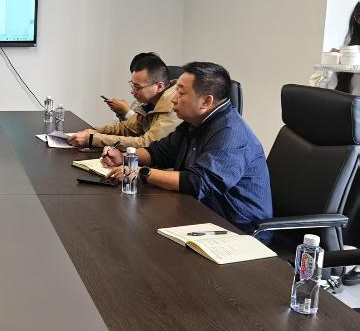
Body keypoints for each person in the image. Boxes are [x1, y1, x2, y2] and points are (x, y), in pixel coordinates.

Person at [102, 62, 272, 234]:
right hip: (198, 213)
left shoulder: (231, 132)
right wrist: (124, 157)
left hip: (237, 228)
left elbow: (198, 183)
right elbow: (159, 152)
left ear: (206, 101)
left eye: (181, 92)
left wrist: (141, 172)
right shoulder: (195, 121)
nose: (173, 98)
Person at [67, 53, 181, 149]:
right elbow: (128, 128)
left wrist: (93, 138)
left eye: (137, 87)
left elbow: (146, 144)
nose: (132, 91)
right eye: (132, 86)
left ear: (159, 86)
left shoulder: (174, 107)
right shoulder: (150, 103)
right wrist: (94, 131)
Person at [311, 1, 360, 94]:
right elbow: (319, 90)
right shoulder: (348, 55)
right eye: (359, 17)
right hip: (344, 103)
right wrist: (331, 61)